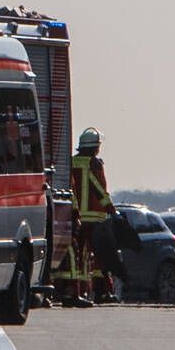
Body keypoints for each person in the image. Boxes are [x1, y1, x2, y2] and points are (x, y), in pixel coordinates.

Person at [66, 127, 113, 304]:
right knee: (97, 257)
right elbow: (99, 187)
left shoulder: (71, 162)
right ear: (95, 147)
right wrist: (110, 208)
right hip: (94, 219)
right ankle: (97, 292)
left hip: (75, 216)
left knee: (79, 255)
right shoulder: (94, 164)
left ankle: (78, 290)